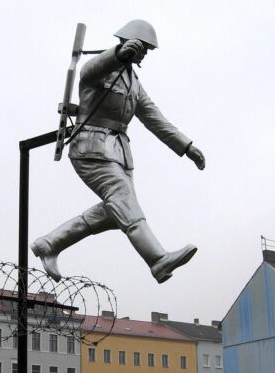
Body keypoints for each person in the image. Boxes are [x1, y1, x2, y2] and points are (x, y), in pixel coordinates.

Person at [32, 20, 205, 284]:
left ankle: (50, 244)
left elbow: (155, 118)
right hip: (91, 149)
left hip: (119, 155)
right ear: (130, 42)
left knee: (115, 212)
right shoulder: (103, 68)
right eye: (143, 47)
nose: (145, 53)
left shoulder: (134, 83)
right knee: (123, 200)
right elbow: (90, 69)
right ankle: (157, 260)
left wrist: (186, 146)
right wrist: (117, 54)